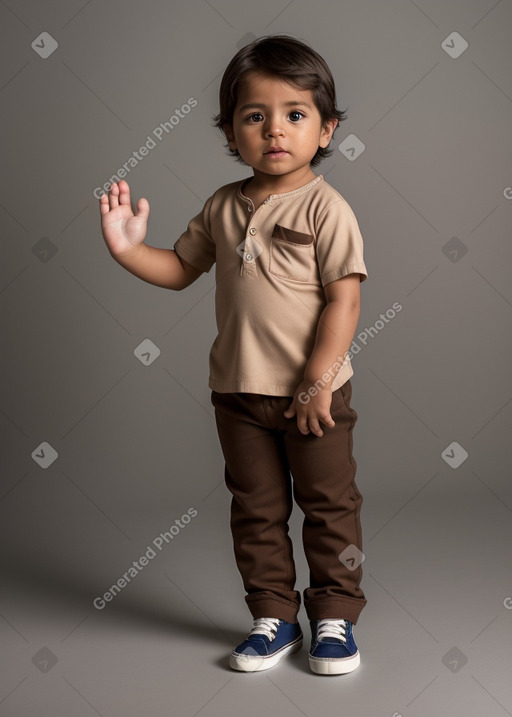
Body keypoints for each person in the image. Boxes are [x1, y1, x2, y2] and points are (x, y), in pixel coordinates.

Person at [99, 34, 369, 676]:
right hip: (239, 393)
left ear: (327, 129)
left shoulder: (328, 209)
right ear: (230, 131)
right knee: (256, 508)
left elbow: (345, 304)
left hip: (315, 394)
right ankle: (273, 617)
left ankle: (334, 618)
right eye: (255, 116)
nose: (275, 130)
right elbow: (177, 269)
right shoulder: (222, 206)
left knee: (329, 505)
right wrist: (127, 250)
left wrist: (317, 382)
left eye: (295, 114)